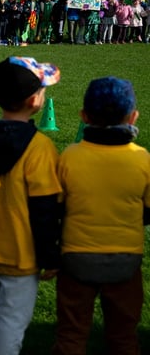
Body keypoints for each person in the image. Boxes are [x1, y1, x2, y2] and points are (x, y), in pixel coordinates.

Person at [52, 77, 149, 355]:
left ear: (83, 116)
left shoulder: (70, 157)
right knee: (123, 336)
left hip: (76, 258)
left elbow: (59, 205)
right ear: (133, 116)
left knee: (71, 335)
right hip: (126, 259)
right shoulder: (143, 160)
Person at [0, 57, 63, 355]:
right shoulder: (40, 148)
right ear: (34, 100)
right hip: (23, 254)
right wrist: (50, 255)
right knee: (11, 322)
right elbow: (44, 208)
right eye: (42, 90)